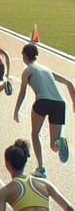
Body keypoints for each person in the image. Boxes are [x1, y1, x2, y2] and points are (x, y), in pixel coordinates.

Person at [14, 43, 75, 176]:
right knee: (53, 146)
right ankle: (60, 143)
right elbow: (70, 83)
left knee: (35, 134)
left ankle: (41, 168)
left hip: (43, 101)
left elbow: (23, 91)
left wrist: (17, 110)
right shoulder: (46, 69)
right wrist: (74, 104)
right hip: (60, 103)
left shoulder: (28, 70)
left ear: (25, 56)